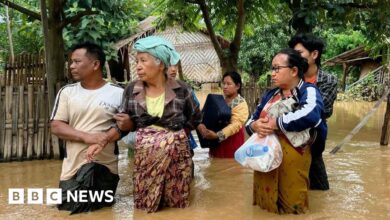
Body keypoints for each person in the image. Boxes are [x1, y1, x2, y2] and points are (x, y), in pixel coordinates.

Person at [115, 36, 201, 213]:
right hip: (145, 160)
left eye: (143, 60)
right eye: (137, 61)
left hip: (176, 160)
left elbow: (195, 118)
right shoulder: (131, 90)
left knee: (177, 205)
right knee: (144, 205)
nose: (138, 65)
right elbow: (123, 122)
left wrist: (176, 137)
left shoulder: (182, 90)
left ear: (160, 64)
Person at [245, 48, 327, 214]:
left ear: (294, 70)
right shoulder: (270, 94)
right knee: (264, 204)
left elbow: (310, 114)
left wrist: (276, 123)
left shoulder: (308, 91)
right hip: (265, 156)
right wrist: (255, 126)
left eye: (277, 68)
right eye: (272, 69)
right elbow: (251, 119)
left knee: (293, 205)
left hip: (294, 156)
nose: (272, 73)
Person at [50, 42, 123, 214]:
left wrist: (105, 138)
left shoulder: (118, 93)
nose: (71, 66)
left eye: (76, 62)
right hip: (72, 169)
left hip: (105, 168)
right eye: (71, 62)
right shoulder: (67, 92)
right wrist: (87, 137)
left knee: (102, 213)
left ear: (95, 64)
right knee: (67, 211)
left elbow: (125, 126)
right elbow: (56, 126)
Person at [288, 33, 338, 190]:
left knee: (320, 190)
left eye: (299, 53)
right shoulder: (290, 77)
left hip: (314, 140)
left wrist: (292, 108)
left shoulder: (328, 80)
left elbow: (323, 110)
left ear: (314, 54)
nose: (294, 58)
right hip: (288, 136)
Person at [197, 71, 249, 158]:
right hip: (215, 140)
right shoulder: (219, 101)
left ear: (237, 86)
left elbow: (235, 125)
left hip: (231, 141)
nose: (225, 87)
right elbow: (205, 114)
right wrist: (201, 125)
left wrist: (217, 135)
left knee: (231, 165)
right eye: (223, 83)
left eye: (229, 84)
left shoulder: (241, 104)